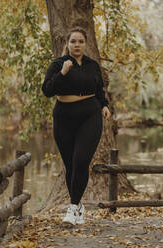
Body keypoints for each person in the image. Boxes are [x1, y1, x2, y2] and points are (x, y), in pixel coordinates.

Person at [42, 27, 111, 225]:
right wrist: (62, 73)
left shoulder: (92, 65)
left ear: (85, 43)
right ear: (67, 44)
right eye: (73, 41)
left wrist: (104, 105)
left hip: (90, 115)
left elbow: (99, 89)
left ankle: (72, 209)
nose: (77, 45)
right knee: (70, 165)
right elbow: (47, 90)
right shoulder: (57, 64)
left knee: (81, 161)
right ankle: (79, 206)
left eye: (80, 41)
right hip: (64, 118)